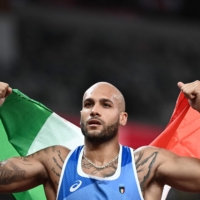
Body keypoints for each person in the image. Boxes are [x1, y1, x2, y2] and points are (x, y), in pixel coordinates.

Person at [0, 80, 200, 200]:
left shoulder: (147, 164)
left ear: (123, 118)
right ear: (81, 115)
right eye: (88, 104)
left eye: (106, 105)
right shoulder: (56, 163)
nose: (94, 110)